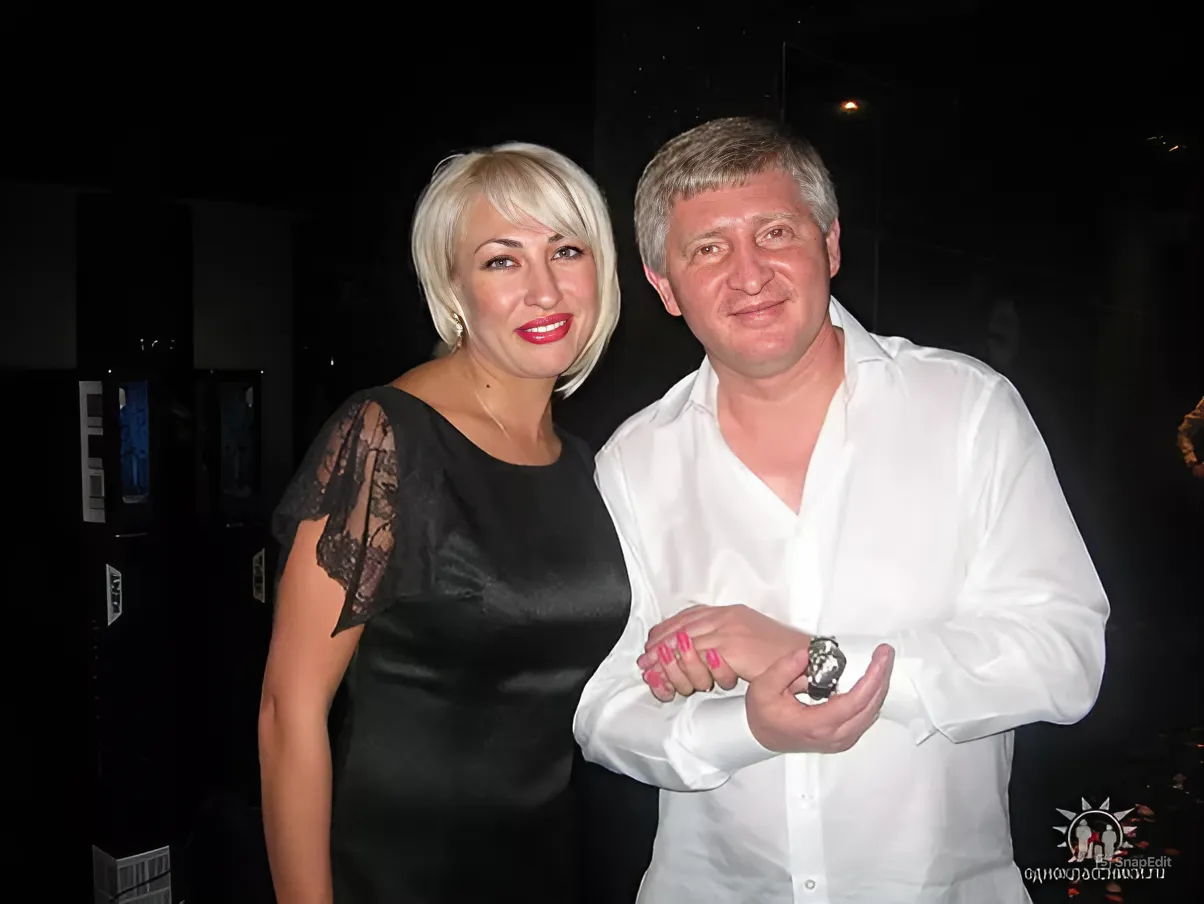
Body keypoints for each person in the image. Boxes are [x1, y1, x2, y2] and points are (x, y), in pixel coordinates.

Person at [574, 117, 1109, 903]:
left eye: (775, 232)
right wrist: (745, 728)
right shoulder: (632, 461)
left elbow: (1062, 657)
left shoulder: (966, 410)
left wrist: (816, 659)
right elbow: (601, 710)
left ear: (829, 244)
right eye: (709, 249)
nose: (748, 273)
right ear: (665, 287)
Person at [259, 141, 633, 904]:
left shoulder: (584, 463)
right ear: (453, 287)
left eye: (566, 250)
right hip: (396, 874)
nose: (544, 289)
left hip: (544, 867)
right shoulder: (387, 438)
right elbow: (288, 713)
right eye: (502, 261)